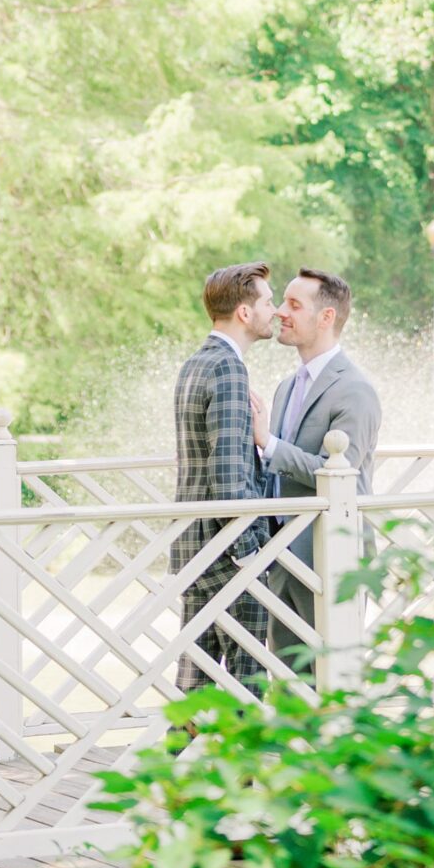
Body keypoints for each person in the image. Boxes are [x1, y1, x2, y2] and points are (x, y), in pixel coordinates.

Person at [251, 268, 381, 660]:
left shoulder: (355, 389)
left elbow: (338, 473)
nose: (279, 313)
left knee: (334, 678)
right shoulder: (287, 387)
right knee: (289, 684)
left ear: (327, 317)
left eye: (294, 305)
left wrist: (267, 442)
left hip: (331, 558)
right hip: (282, 557)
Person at [171, 261, 278, 691]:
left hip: (194, 543)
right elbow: (229, 474)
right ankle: (247, 759)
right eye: (268, 302)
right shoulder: (229, 369)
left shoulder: (195, 363)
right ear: (245, 313)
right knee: (246, 675)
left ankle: (182, 752)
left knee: (195, 676)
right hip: (225, 552)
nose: (274, 311)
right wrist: (249, 553)